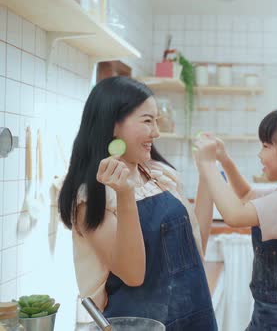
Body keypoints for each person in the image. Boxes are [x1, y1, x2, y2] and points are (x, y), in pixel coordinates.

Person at [58, 76, 218, 330]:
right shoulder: (91, 198)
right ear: (113, 124)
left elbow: (196, 249)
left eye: (156, 121)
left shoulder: (159, 175)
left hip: (194, 317)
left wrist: (207, 171)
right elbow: (133, 274)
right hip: (138, 324)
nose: (156, 131)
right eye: (147, 121)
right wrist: (125, 194)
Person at [193, 109, 277, 330]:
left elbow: (235, 215)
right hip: (270, 314)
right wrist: (223, 159)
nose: (260, 154)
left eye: (266, 146)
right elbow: (245, 195)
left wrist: (207, 165)